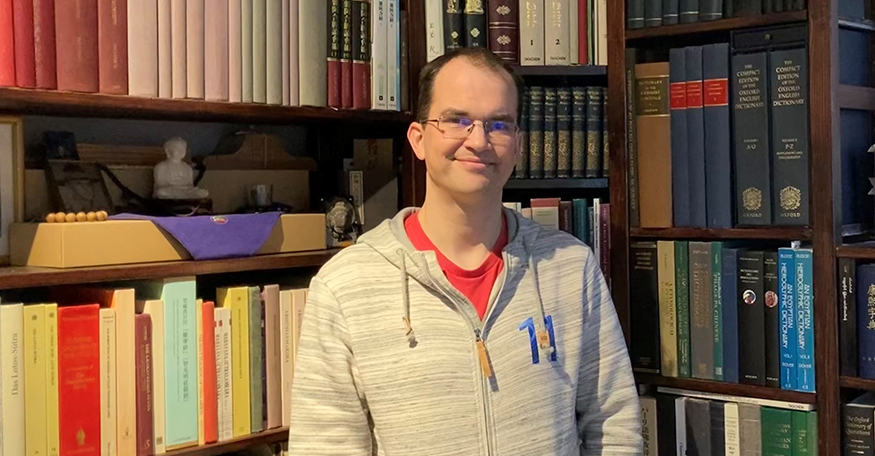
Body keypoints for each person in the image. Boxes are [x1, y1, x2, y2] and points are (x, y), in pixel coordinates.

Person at [287, 46, 642, 455]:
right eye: (457, 120)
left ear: (518, 145)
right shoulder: (345, 285)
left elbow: (614, 425)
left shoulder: (570, 266)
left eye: (499, 124)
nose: (478, 140)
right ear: (418, 140)